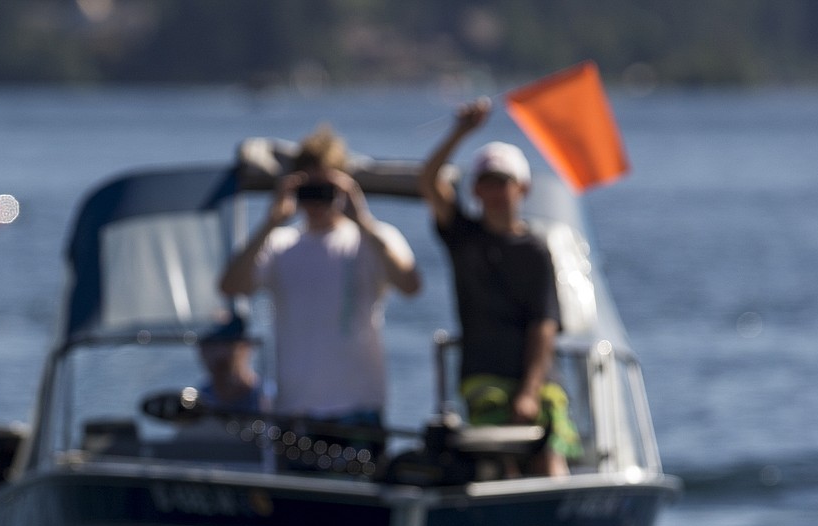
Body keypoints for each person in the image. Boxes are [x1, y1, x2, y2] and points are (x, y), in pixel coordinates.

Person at [419, 99, 582, 477]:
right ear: (475, 190)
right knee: (499, 454)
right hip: (483, 376)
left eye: (503, 184)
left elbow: (544, 323)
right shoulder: (463, 237)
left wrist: (529, 389)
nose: (495, 193)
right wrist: (460, 132)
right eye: (486, 184)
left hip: (538, 380)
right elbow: (428, 181)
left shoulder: (536, 250)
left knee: (548, 452)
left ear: (522, 188)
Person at [218, 125, 420, 426]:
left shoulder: (374, 239)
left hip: (358, 407)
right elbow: (231, 286)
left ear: (343, 188)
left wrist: (363, 220)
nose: (315, 202)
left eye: (325, 190)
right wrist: (270, 222)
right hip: (294, 411)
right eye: (307, 191)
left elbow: (410, 284)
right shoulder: (279, 243)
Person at [193, 313, 262, 414]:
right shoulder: (201, 399)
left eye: (227, 344)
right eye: (211, 344)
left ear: (245, 349)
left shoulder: (267, 398)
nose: (219, 353)